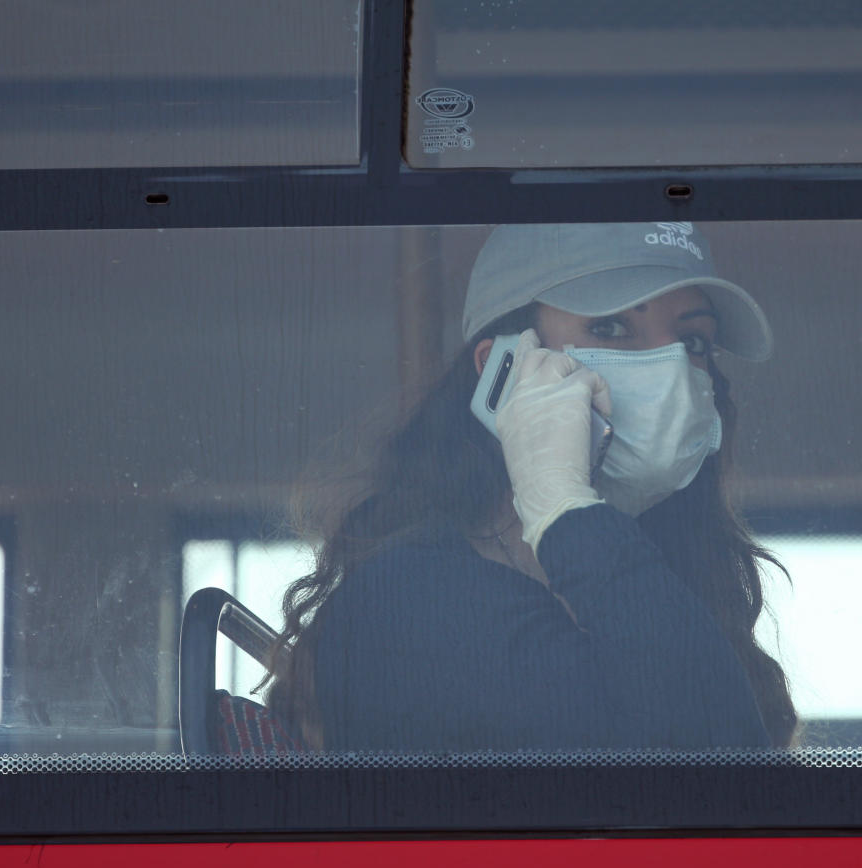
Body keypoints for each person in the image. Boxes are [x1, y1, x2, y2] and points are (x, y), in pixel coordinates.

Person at [266, 222, 797, 752]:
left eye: (693, 340)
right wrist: (562, 506)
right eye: (610, 328)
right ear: (501, 370)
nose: (671, 369)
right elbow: (711, 773)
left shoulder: (674, 574)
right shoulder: (405, 599)